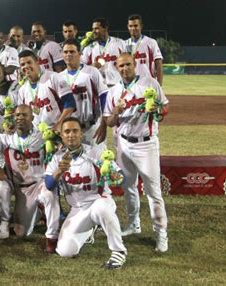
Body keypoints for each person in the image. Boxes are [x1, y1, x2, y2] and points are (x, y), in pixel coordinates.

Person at [103, 53, 169, 252]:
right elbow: (109, 122)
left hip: (146, 144)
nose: (124, 69)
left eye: (128, 65)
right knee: (128, 187)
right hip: (123, 144)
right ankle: (134, 224)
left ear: (135, 64)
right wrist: (116, 110)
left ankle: (161, 234)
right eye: (121, 66)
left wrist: (157, 111)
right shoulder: (113, 91)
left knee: (153, 193)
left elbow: (164, 108)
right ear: (116, 67)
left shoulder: (150, 83)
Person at [45, 117, 127, 269]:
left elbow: (121, 177)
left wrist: (116, 176)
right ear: (62, 136)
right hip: (77, 209)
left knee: (101, 209)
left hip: (99, 201)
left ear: (81, 134)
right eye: (67, 131)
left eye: (75, 131)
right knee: (65, 251)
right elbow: (48, 185)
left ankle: (118, 251)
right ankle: (89, 230)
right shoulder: (56, 158)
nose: (71, 135)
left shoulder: (95, 153)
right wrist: (59, 171)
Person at [0, 105, 60, 252]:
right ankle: (7, 219)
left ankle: (51, 237)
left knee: (49, 194)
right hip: (17, 187)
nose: (20, 118)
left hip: (37, 184)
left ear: (32, 118)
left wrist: (55, 136)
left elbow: (58, 138)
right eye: (17, 115)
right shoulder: (6, 139)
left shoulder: (41, 136)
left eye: (24, 115)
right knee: (20, 230)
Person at [60, 39, 109, 148]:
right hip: (70, 131)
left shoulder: (92, 72)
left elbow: (104, 97)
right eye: (66, 52)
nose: (68, 54)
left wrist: (103, 124)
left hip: (90, 128)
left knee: (98, 161)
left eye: (72, 52)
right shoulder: (59, 77)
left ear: (80, 54)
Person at [17, 50, 75, 132]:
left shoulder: (53, 77)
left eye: (29, 62)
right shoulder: (22, 90)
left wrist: (59, 124)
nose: (26, 66)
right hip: (37, 135)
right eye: (22, 64)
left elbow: (70, 104)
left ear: (37, 62)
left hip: (58, 131)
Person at [81, 17, 127, 87]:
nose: (93, 32)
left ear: (105, 28)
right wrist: (91, 67)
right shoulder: (89, 48)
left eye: (96, 28)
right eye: (93, 29)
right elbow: (81, 69)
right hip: (99, 87)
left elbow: (128, 63)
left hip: (118, 86)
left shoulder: (120, 43)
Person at [126, 14, 164, 85]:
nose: (133, 28)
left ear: (141, 26)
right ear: (128, 27)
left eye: (136, 25)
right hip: (131, 85)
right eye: (130, 26)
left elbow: (159, 65)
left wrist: (159, 86)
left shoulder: (151, 42)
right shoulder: (124, 44)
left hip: (149, 84)